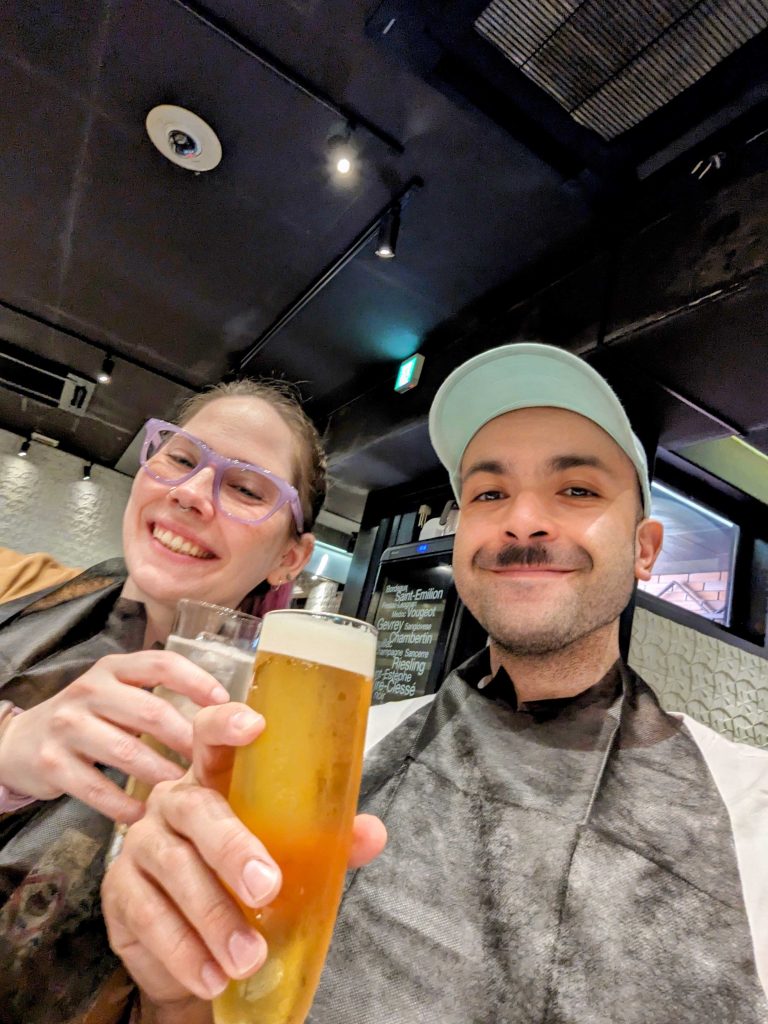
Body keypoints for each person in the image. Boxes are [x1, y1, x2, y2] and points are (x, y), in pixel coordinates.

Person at [100, 344, 767, 1023]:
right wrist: (175, 994)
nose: (523, 519)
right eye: (489, 494)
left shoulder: (750, 810)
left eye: (577, 490)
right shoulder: (346, 756)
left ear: (645, 549)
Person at [0, 379, 339, 1024]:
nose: (191, 491)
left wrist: (176, 994)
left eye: (246, 489)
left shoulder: (264, 753)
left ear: (289, 558)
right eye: (180, 458)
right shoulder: (14, 586)